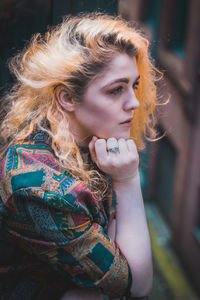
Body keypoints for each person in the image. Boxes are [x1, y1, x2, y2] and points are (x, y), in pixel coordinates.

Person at [0, 12, 161, 300]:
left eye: (134, 86)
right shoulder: (37, 188)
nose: (134, 103)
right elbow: (136, 285)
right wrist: (127, 180)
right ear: (67, 98)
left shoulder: (87, 141)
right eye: (116, 90)